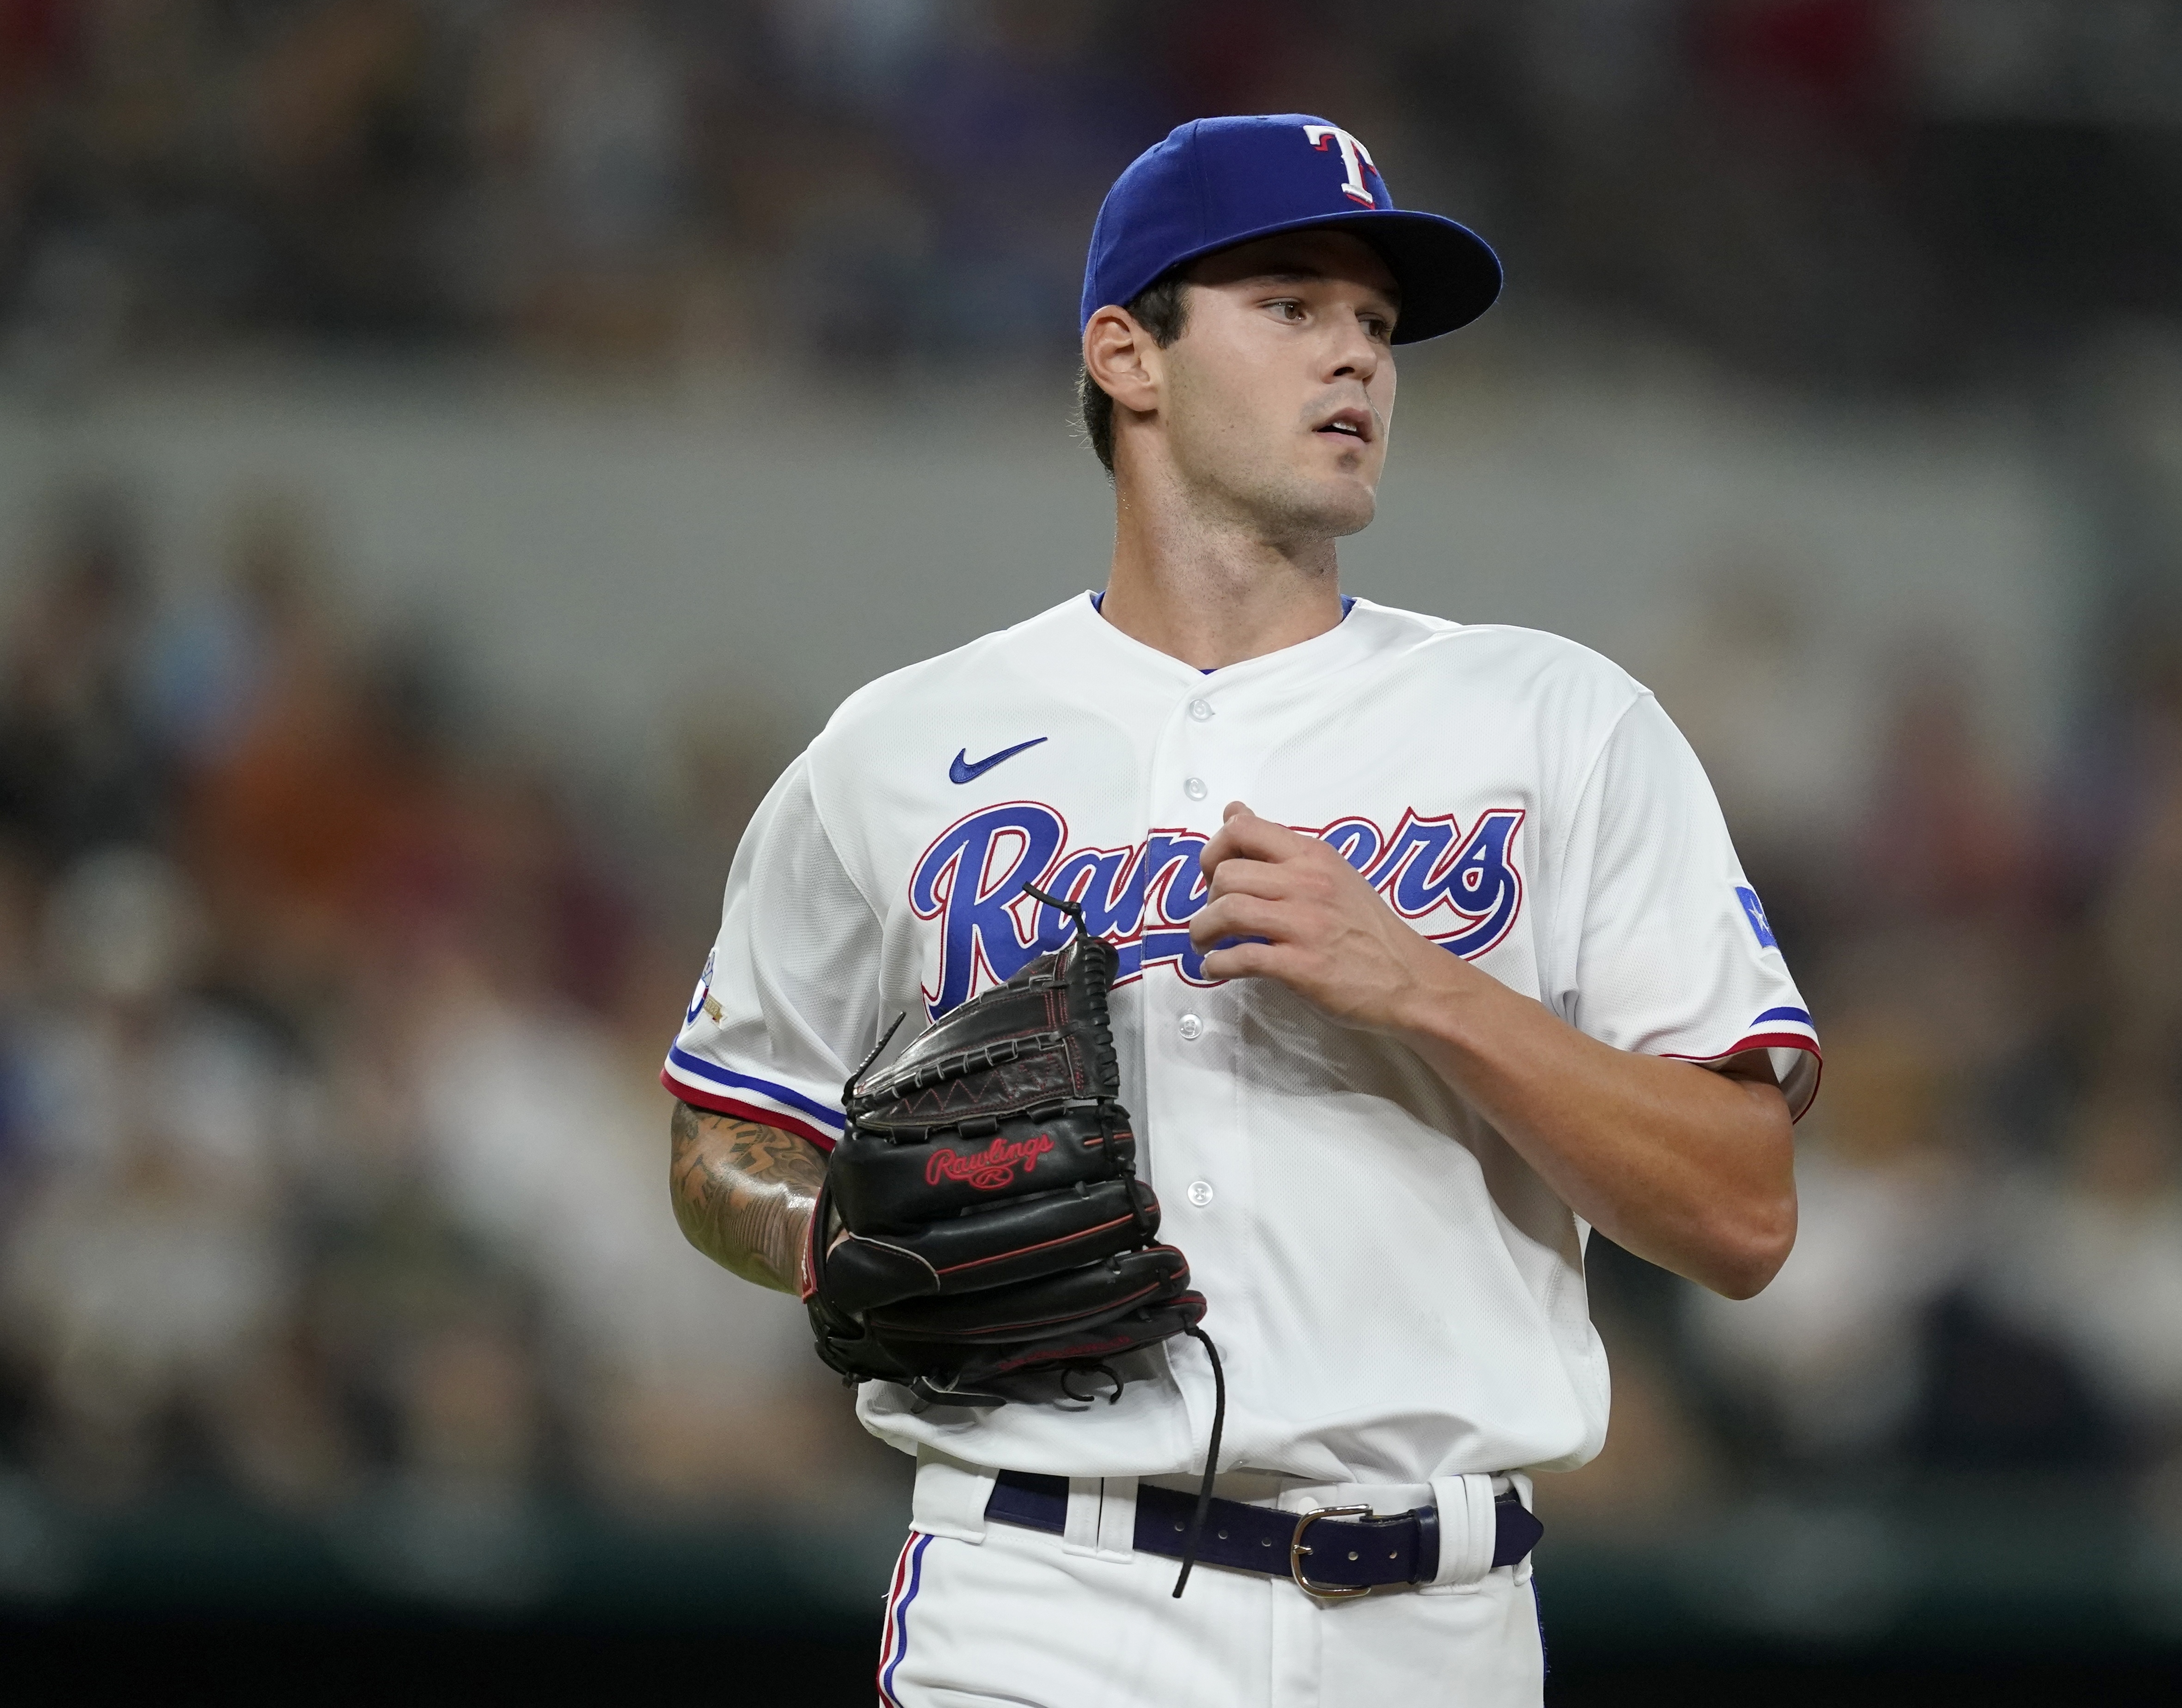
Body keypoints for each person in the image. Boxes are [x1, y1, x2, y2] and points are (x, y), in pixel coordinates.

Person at [662, 114, 1818, 1708]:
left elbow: (1746, 1214)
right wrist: (824, 1235)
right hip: (1041, 1594)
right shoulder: (899, 749)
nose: (1356, 359)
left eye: (1377, 325)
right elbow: (726, 1135)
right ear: (1127, 356)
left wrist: (1431, 989)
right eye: (1290, 305)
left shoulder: (1559, 721)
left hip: (1441, 1618)